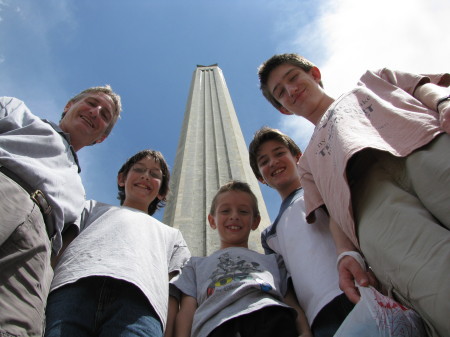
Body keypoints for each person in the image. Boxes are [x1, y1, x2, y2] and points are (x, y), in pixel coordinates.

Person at [257, 53, 450, 337]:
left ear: (314, 74)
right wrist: (345, 253)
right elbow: (333, 211)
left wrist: (443, 104)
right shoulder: (308, 163)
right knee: (433, 283)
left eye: (293, 78)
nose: (291, 91)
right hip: (371, 207)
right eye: (281, 93)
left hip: (423, 147)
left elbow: (421, 87)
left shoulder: (371, 82)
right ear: (284, 109)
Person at [0, 86, 121, 337]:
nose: (95, 112)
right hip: (6, 188)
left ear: (101, 137)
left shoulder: (80, 195)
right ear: (69, 106)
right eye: (91, 103)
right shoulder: (18, 113)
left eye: (105, 115)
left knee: (16, 327)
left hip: (39, 245)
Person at [45, 149, 191, 337]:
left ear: (162, 192)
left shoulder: (172, 235)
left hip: (140, 305)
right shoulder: (91, 208)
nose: (146, 176)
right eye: (139, 170)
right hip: (74, 289)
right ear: (121, 179)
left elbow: (172, 292)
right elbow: (58, 250)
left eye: (154, 174)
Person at [249, 126, 362, 337]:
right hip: (319, 316)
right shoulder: (269, 235)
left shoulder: (321, 187)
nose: (272, 162)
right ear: (260, 178)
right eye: (263, 162)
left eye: (279, 153)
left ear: (298, 158)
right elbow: (285, 287)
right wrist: (302, 328)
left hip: (360, 287)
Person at [171, 180, 311, 337]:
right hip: (217, 326)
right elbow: (186, 311)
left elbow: (290, 300)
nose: (234, 216)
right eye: (225, 211)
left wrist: (305, 331)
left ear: (256, 221)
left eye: (243, 212)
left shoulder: (272, 260)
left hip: (272, 318)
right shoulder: (195, 264)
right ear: (212, 220)